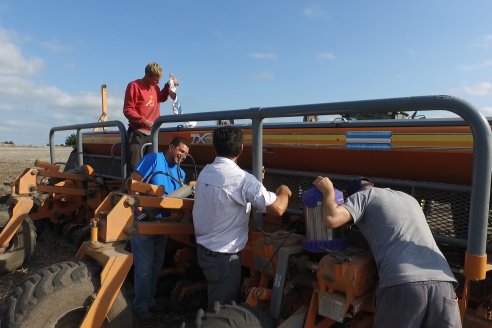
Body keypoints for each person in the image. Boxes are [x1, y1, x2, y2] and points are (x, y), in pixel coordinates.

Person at [313, 176, 461, 327]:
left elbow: (331, 218)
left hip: (403, 284)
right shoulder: (408, 198)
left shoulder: (363, 196)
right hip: (444, 282)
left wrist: (328, 191)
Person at [192, 126, 292, 311]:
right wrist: (284, 191)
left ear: (215, 147)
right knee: (220, 310)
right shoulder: (243, 179)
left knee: (215, 297)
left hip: (204, 251)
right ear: (240, 148)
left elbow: (232, 191)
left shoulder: (206, 171)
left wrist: (255, 182)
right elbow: (278, 208)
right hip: (224, 258)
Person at [130, 136, 190, 321]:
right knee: (144, 268)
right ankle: (140, 307)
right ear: (171, 147)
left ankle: (150, 301)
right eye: (180, 151)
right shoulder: (154, 159)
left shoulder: (181, 174)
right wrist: (139, 209)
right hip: (144, 224)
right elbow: (133, 183)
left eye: (186, 154)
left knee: (156, 265)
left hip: (163, 226)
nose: (183, 156)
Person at [123, 62, 179, 172]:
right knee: (136, 167)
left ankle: (148, 188)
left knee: (151, 167)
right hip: (138, 133)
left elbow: (161, 98)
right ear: (147, 75)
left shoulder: (155, 88)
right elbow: (128, 109)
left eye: (159, 79)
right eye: (155, 79)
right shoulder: (134, 86)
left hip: (153, 134)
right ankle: (134, 188)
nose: (157, 82)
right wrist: (144, 121)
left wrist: (169, 86)